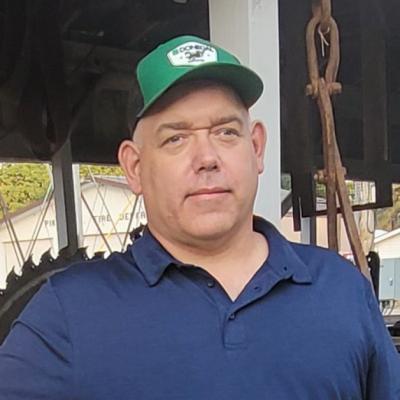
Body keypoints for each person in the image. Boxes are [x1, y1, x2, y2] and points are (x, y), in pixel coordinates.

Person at [0, 35, 399, 399]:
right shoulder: (68, 314)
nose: (207, 158)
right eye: (175, 138)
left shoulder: (341, 292)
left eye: (226, 132)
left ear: (256, 147)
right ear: (135, 167)